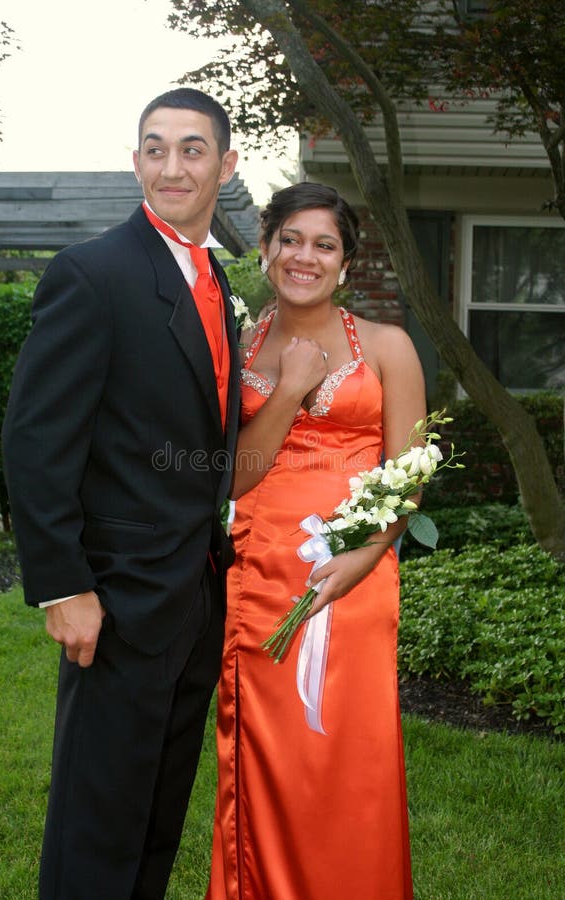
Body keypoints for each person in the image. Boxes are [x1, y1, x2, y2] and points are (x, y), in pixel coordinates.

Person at [2, 87, 240, 900]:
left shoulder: (215, 283)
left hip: (193, 596)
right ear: (136, 159)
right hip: (115, 599)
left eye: (192, 149)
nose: (171, 166)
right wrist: (64, 585)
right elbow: (36, 441)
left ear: (226, 165)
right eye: (155, 147)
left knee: (154, 821)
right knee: (97, 826)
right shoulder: (92, 274)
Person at [207, 182, 426, 899]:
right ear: (266, 247)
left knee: (345, 760)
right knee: (265, 759)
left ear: (345, 261)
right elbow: (232, 480)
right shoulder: (235, 346)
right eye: (291, 239)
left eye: (323, 244)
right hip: (257, 579)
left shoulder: (389, 347)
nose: (305, 256)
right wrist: (292, 388)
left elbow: (407, 478)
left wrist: (360, 560)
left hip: (354, 585)